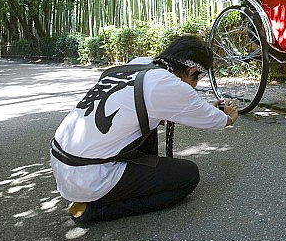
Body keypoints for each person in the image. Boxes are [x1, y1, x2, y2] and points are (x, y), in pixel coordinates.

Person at [50, 35, 239, 224]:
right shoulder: (170, 84)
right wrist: (229, 118)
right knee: (188, 176)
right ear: (191, 71)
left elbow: (176, 107)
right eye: (199, 77)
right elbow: (214, 120)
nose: (196, 83)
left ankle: (133, 179)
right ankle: (97, 210)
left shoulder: (139, 65)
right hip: (89, 176)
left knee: (151, 121)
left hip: (64, 163)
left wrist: (208, 108)